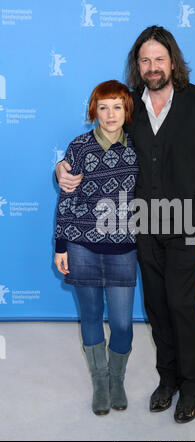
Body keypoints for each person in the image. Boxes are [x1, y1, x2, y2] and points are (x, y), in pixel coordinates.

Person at [56, 26, 195, 424]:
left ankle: (191, 387)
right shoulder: (130, 106)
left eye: (159, 59)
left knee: (181, 304)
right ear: (137, 67)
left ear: (173, 61)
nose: (153, 67)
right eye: (145, 60)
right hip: (143, 225)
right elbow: (93, 145)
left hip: (188, 223)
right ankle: (167, 380)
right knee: (156, 306)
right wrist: (61, 168)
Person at [54, 80, 139, 416]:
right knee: (90, 316)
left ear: (127, 110)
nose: (110, 114)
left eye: (117, 106)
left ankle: (117, 378)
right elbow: (66, 197)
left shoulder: (138, 146)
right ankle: (100, 382)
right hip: (81, 246)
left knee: (121, 324)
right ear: (94, 111)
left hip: (125, 247)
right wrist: (62, 245)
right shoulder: (79, 147)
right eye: (103, 107)